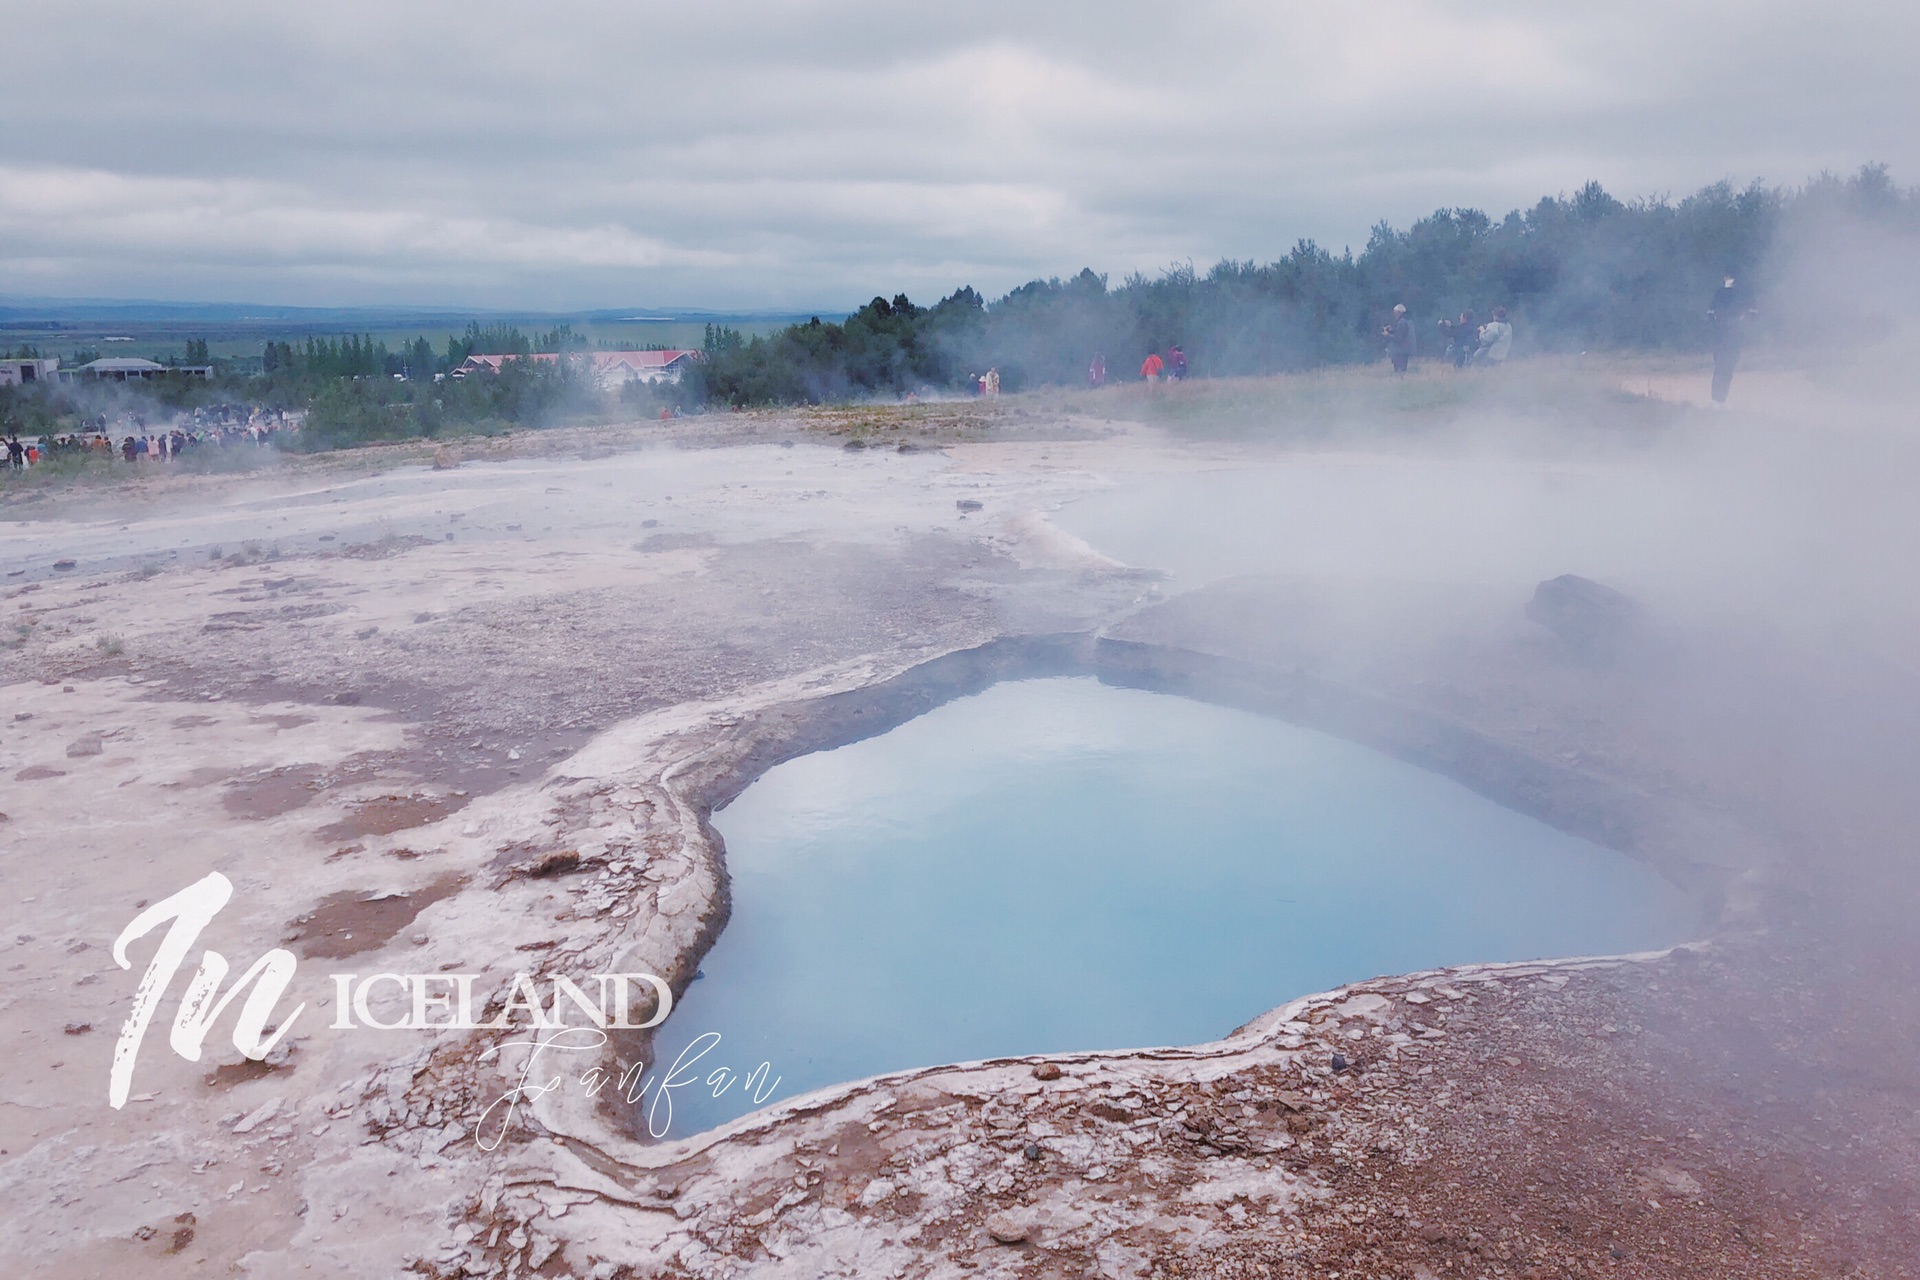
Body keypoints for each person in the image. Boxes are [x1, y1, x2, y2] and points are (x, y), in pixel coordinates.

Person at [1707, 275, 1756, 404]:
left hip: (1729, 338)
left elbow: (1750, 313)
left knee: (1725, 367)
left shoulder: (1734, 296)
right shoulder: (1726, 295)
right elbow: (1711, 314)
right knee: (1723, 367)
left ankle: (1720, 397)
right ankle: (1718, 397)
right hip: (1725, 338)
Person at [1381, 304, 1414, 372]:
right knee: (1402, 371)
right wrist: (1392, 330)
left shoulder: (1401, 322)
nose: (1394, 314)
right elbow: (1401, 332)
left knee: (1399, 371)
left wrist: (1387, 335)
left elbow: (1398, 338)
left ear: (1399, 313)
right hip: (1405, 350)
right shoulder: (1407, 320)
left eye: (1395, 313)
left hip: (1400, 351)